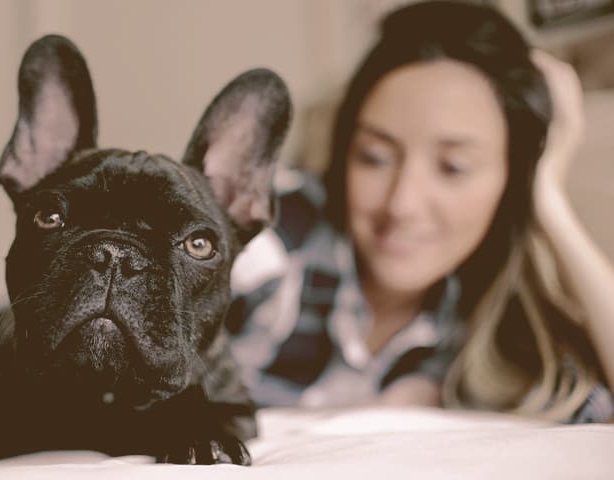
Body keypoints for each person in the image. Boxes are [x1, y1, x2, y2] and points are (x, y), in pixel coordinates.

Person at [226, 0, 614, 423]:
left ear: (513, 179)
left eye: (453, 168)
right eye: (374, 157)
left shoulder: (496, 315)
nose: (402, 204)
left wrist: (550, 203)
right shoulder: (267, 233)